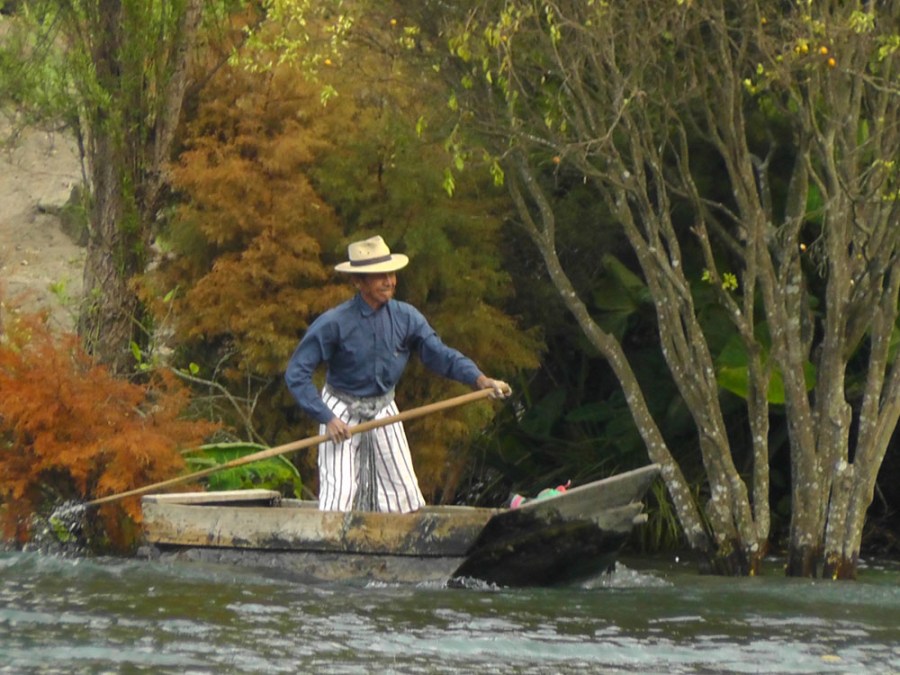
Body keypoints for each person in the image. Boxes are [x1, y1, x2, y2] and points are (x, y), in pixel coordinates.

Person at [285, 234, 510, 513]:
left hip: (383, 404)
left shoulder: (406, 317)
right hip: (339, 408)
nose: (389, 281)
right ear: (359, 282)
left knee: (403, 493)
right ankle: (332, 544)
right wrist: (327, 418)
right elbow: (297, 373)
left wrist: (480, 379)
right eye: (379, 276)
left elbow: (439, 354)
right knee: (339, 496)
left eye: (390, 273)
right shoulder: (334, 323)